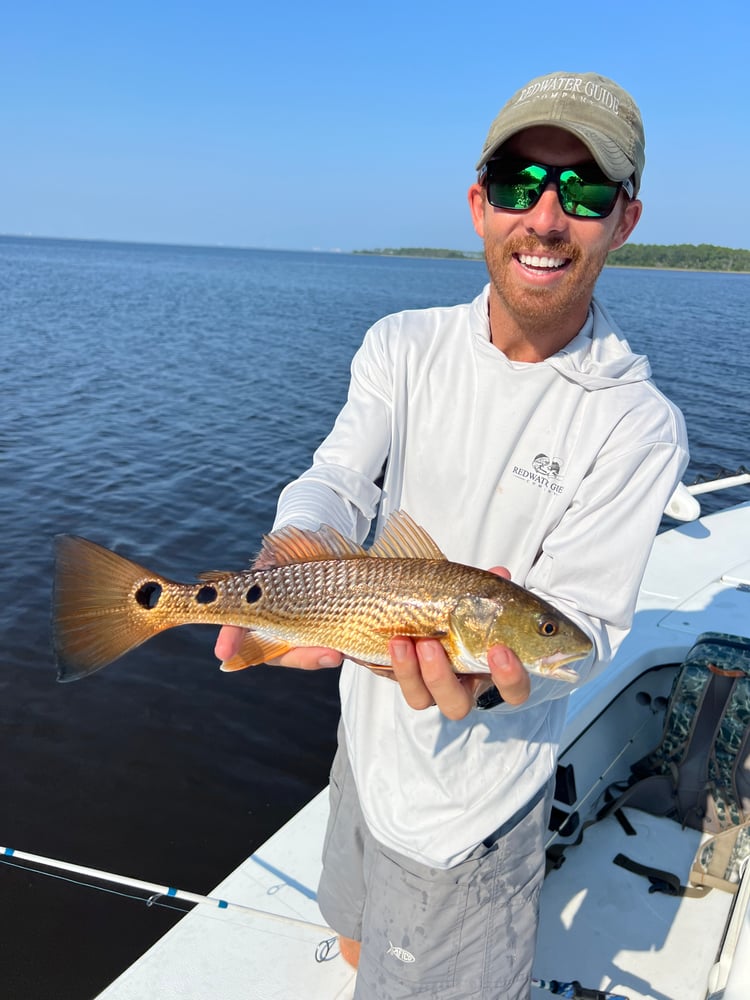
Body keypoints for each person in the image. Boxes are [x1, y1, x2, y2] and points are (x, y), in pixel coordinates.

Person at [216, 70, 689, 999]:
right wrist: (292, 554)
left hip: (469, 814)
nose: (548, 217)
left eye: (586, 190)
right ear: (481, 204)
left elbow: (578, 638)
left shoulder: (637, 425)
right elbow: (339, 477)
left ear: (624, 220)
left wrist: (518, 668)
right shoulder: (402, 343)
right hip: (362, 741)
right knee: (353, 936)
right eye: (520, 182)